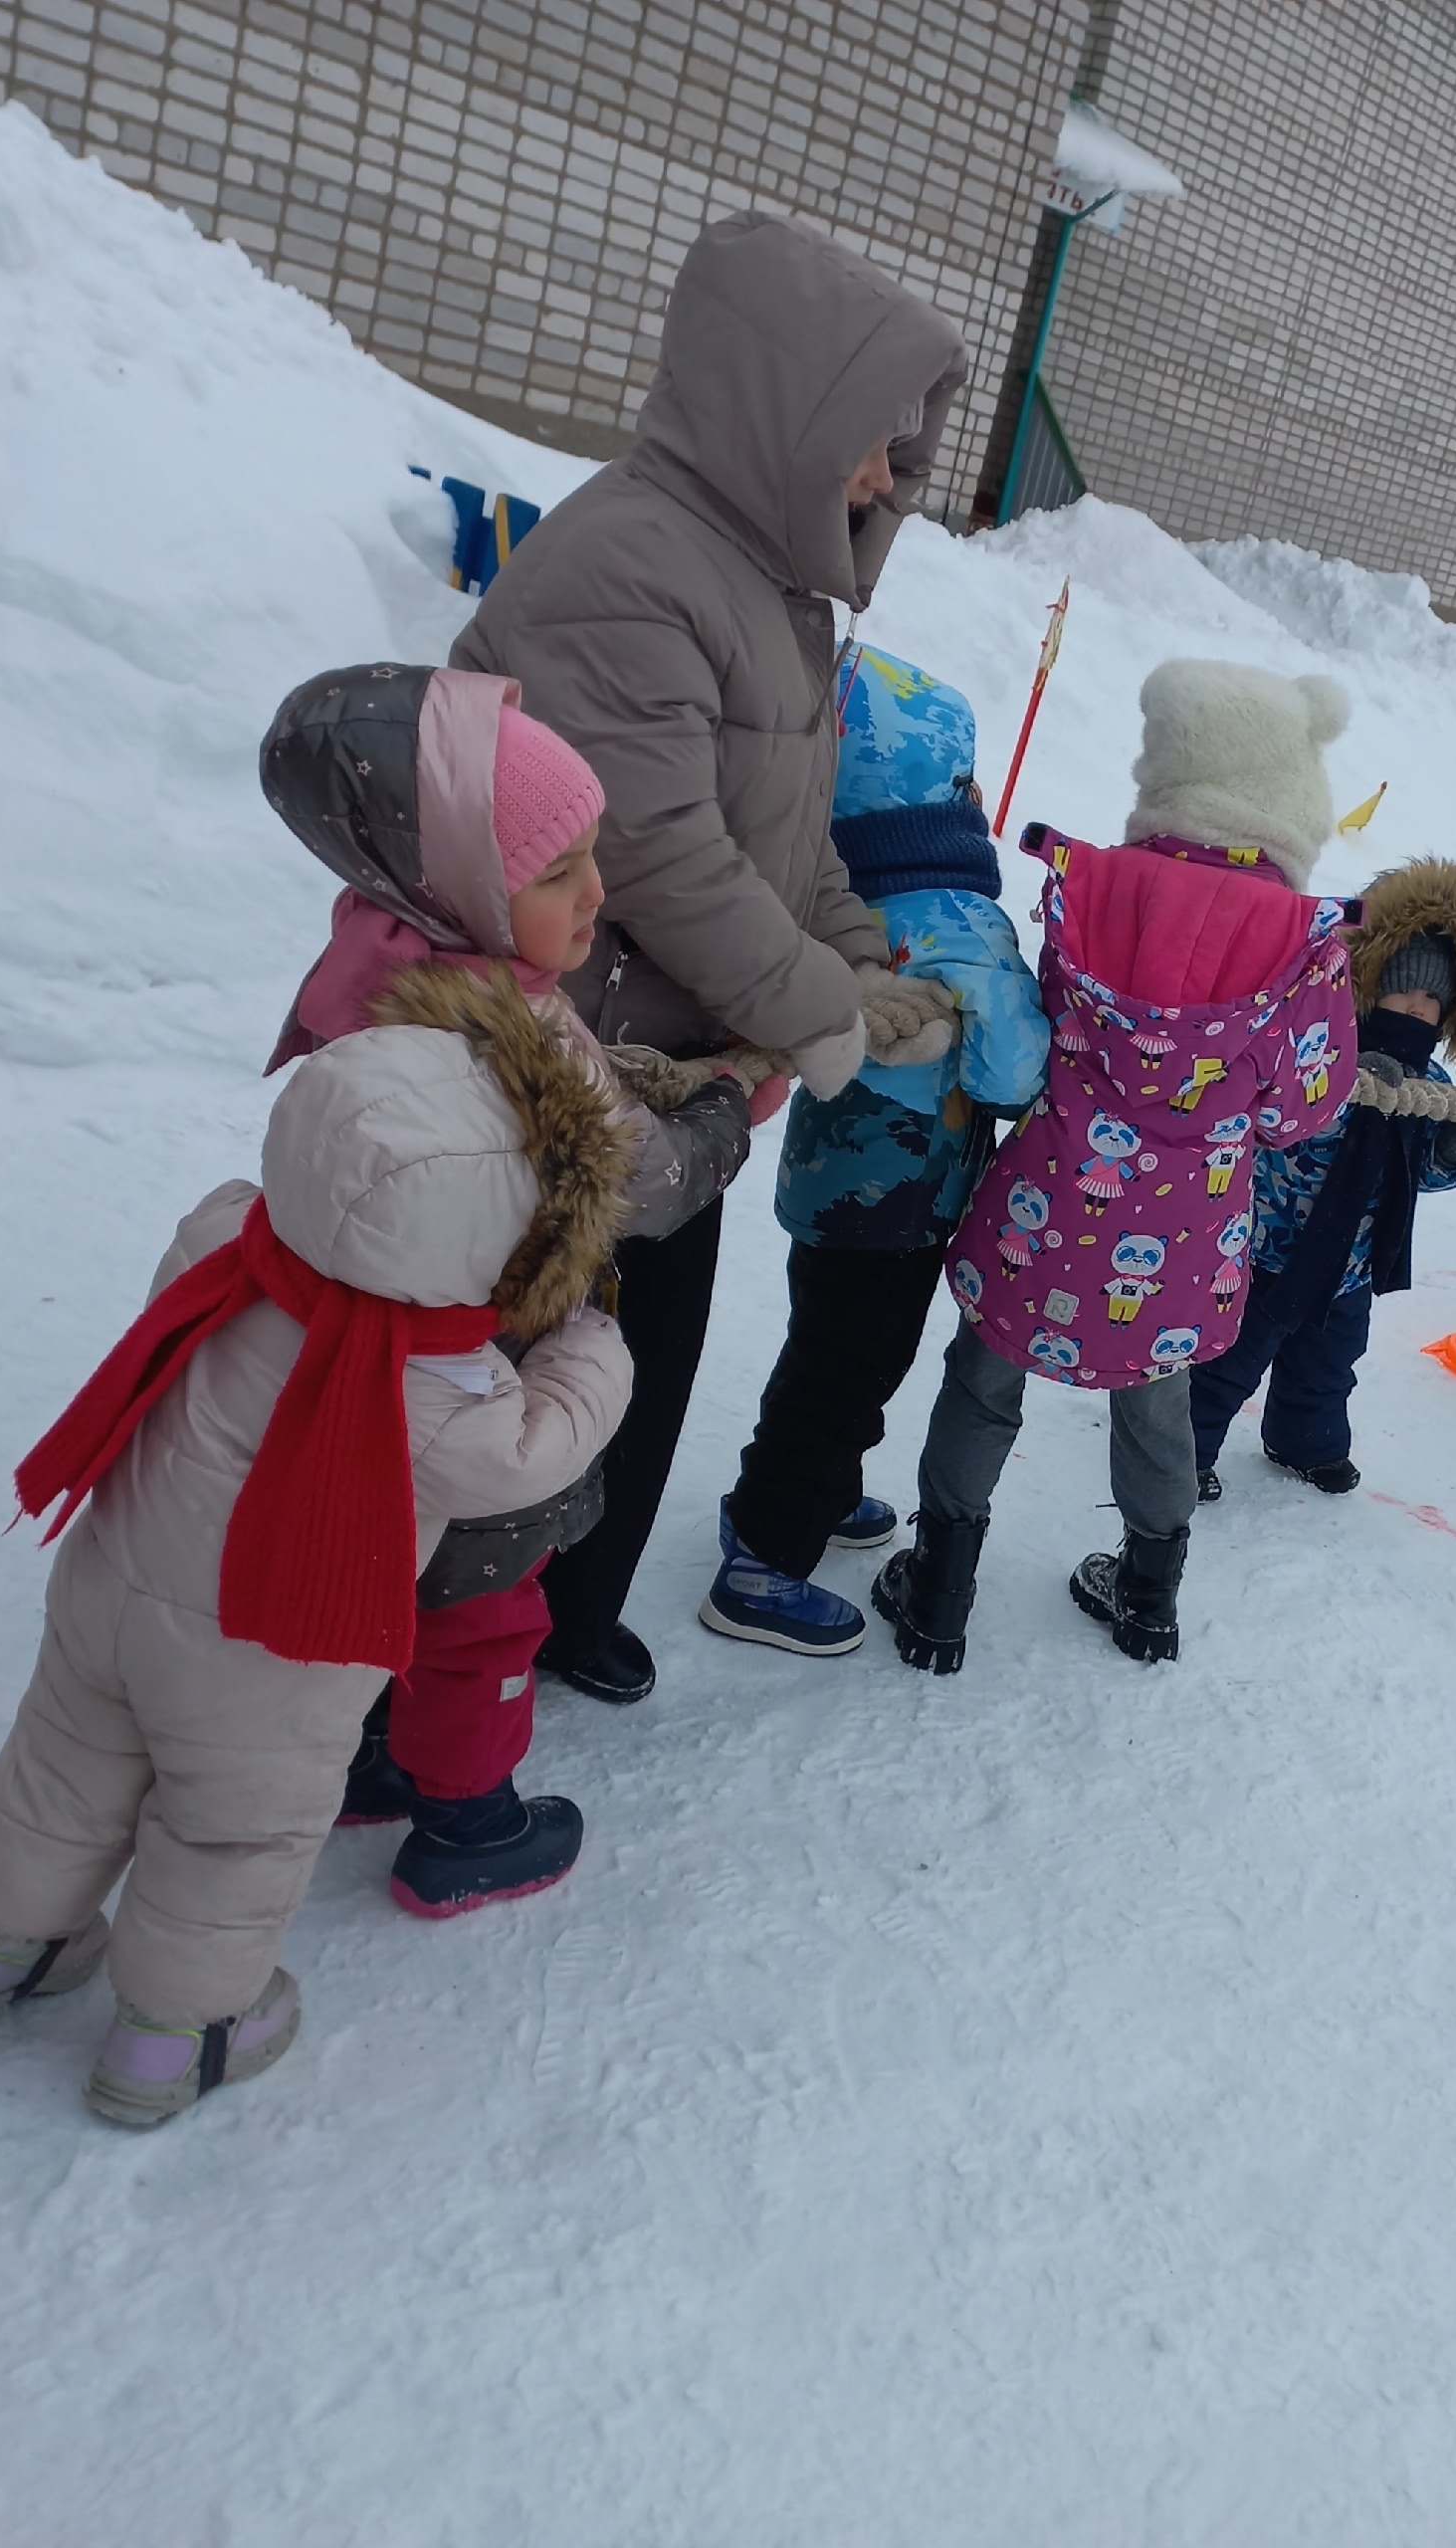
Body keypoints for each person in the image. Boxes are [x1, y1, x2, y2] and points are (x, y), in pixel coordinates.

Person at [0, 1004, 634, 2123]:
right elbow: (532, 1456)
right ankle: (172, 2037)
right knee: (226, 1834)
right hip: (260, 1658)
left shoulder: (225, 1239)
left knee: (61, 1768)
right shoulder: (440, 1392)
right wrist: (588, 1348)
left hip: (111, 1587)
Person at [451, 208, 968, 1705]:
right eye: (873, 440)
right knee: (525, 1385)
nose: (887, 477)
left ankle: (560, 1614)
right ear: (785, 411)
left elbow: (786, 838)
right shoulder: (630, 565)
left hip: (670, 1083)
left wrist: (866, 955)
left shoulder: (771, 594)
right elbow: (664, 854)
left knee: (641, 1369)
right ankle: (432, 1681)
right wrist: (830, 1011)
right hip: (566, 1075)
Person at [258, 663, 767, 1909]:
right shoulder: (513, 1033)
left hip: (343, 1364)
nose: (598, 894)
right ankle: (468, 1823)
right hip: (478, 1369)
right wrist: (719, 1108)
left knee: (384, 1572)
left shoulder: (381, 955)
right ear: (466, 889)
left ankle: (367, 1756)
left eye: (595, 854)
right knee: (482, 1604)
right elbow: (643, 1182)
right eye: (557, 872)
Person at [873, 659, 1361, 1669]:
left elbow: (1045, 1027)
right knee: (1156, 1403)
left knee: (981, 1380)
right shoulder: (1304, 941)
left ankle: (938, 1593)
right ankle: (1147, 1599)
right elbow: (1304, 1106)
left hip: (1048, 1203)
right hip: (1181, 1234)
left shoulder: (1090, 886)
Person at [704, 649, 1048, 1656]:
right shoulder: (960, 922)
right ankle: (765, 1559)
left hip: (825, 1188)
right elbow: (1010, 1073)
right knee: (854, 1368)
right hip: (903, 1206)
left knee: (822, 1349)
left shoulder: (829, 897)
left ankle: (791, 1494)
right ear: (951, 791)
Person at [1190, 856, 1456, 1497]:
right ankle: (1182, 1453)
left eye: (1431, 1002)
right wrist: (1348, 1088)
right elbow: (1286, 1133)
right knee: (1225, 1364)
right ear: (1366, 987)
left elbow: (1420, 1174)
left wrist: (1455, 1150)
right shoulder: (1315, 1050)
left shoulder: (1432, 1085)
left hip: (1352, 1266)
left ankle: (1304, 1442)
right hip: (1265, 1254)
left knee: (1328, 1368)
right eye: (1403, 992)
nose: (1416, 1010)